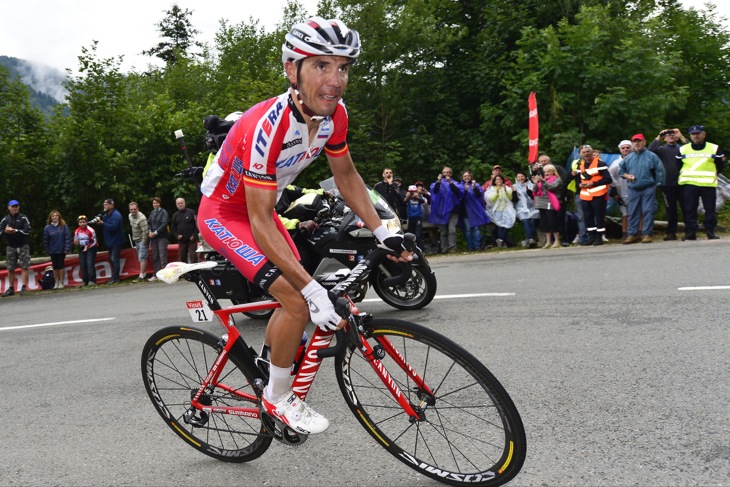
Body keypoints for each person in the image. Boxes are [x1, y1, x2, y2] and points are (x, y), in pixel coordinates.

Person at [197, 17, 412, 436]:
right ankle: (277, 399)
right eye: (321, 66)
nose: (335, 80)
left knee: (295, 298)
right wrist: (311, 293)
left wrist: (383, 228)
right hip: (226, 215)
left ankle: (268, 363)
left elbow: (347, 177)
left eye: (343, 67)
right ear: (291, 70)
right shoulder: (268, 126)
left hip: (262, 211)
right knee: (298, 299)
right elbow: (258, 221)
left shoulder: (335, 116)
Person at [677, 124, 725, 240]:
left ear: (704, 134)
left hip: (707, 184)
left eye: (698, 133)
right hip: (690, 184)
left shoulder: (714, 148)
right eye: (693, 134)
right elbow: (678, 165)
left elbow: (720, 164)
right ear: (690, 136)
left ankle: (710, 231)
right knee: (690, 209)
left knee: (710, 209)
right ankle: (691, 232)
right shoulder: (683, 149)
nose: (696, 136)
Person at [618, 134, 665, 244]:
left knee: (648, 211)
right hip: (633, 188)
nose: (637, 143)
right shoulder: (628, 157)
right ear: (633, 143)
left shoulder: (651, 156)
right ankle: (632, 234)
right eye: (635, 142)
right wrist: (627, 176)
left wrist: (657, 184)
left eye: (639, 141)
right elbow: (621, 171)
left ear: (644, 142)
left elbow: (660, 171)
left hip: (648, 187)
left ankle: (647, 234)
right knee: (632, 212)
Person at [649, 128, 688, 240]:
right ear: (665, 138)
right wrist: (659, 136)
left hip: (682, 182)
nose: (671, 136)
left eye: (673, 135)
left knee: (686, 208)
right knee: (670, 209)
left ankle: (689, 230)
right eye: (668, 135)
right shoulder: (661, 149)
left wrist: (681, 136)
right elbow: (650, 150)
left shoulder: (682, 148)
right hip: (666, 183)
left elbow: (692, 149)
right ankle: (671, 232)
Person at [576, 145, 611, 245]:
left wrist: (594, 183)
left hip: (599, 194)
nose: (586, 153)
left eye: (588, 151)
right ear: (580, 154)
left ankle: (599, 237)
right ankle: (591, 237)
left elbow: (608, 179)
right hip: (585, 195)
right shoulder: (580, 165)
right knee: (588, 217)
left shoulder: (600, 164)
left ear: (592, 152)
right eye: (584, 152)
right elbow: (578, 179)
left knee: (599, 216)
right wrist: (579, 184)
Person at [429, 166, 464, 253]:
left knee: (452, 230)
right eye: (444, 172)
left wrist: (450, 183)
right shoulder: (437, 183)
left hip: (453, 211)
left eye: (448, 172)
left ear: (451, 174)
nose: (446, 174)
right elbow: (434, 191)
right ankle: (444, 248)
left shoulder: (455, 183)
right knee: (443, 232)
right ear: (441, 174)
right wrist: (438, 181)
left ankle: (452, 247)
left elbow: (458, 193)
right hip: (441, 212)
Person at [1, 200, 31, 296]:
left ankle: (23, 287)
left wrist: (16, 231)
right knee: (10, 267)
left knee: (24, 266)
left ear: (19, 207)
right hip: (11, 246)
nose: (15, 208)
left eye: (17, 206)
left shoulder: (23, 218)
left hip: (23, 245)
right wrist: (6, 231)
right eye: (13, 206)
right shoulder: (5, 219)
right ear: (9, 207)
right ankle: (11, 288)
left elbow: (28, 230)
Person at [531, 164, 562, 248]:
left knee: (552, 221)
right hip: (542, 202)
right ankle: (548, 241)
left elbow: (551, 188)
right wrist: (536, 183)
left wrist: (542, 181)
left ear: (553, 171)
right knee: (544, 222)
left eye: (548, 171)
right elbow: (535, 191)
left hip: (551, 202)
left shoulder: (557, 180)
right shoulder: (543, 180)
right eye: (545, 171)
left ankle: (557, 241)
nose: (546, 173)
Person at [608, 140, 633, 241]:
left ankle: (639, 233)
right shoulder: (616, 163)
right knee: (625, 213)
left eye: (628, 147)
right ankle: (625, 233)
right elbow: (610, 176)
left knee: (640, 212)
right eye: (623, 148)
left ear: (631, 148)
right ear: (620, 149)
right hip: (623, 190)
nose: (626, 149)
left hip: (636, 189)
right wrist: (614, 191)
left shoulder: (637, 159)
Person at [96, 198, 124, 284]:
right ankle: (114, 277)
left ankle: (115, 278)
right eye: (104, 204)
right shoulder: (106, 214)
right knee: (111, 259)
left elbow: (113, 227)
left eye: (106, 204)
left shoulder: (116, 215)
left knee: (114, 259)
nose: (104, 205)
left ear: (112, 205)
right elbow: (105, 226)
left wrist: (103, 223)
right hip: (110, 241)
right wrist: (99, 222)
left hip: (116, 241)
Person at [459, 171, 489, 251]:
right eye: (465, 176)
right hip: (465, 211)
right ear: (462, 177)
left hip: (475, 210)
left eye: (468, 175)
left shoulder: (476, 185)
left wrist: (474, 187)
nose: (467, 177)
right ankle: (470, 247)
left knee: (476, 228)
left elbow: (480, 196)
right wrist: (465, 190)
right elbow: (461, 198)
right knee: (468, 229)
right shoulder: (460, 186)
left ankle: (477, 246)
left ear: (471, 176)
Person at [42, 210, 71, 289]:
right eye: (53, 216)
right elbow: (45, 240)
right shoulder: (47, 228)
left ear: (59, 217)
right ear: (50, 218)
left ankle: (61, 282)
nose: (55, 217)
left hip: (61, 249)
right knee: (55, 266)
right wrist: (47, 250)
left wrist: (67, 248)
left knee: (61, 265)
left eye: (56, 216)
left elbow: (67, 237)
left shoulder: (63, 225)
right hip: (52, 249)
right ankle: (56, 282)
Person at [484, 175, 515, 248]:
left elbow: (510, 198)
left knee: (506, 225)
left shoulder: (507, 188)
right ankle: (502, 242)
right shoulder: (490, 189)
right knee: (500, 226)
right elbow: (490, 200)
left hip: (506, 209)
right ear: (494, 181)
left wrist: (505, 191)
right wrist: (497, 193)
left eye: (500, 179)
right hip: (497, 210)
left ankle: (500, 240)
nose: (499, 181)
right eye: (497, 179)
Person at [513, 171, 539, 247]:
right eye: (518, 177)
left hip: (533, 207)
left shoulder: (531, 185)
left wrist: (529, 191)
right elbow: (514, 200)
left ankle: (530, 239)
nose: (520, 178)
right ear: (516, 178)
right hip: (521, 208)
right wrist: (514, 192)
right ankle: (531, 239)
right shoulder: (514, 186)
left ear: (525, 177)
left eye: (522, 176)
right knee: (525, 221)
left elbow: (535, 196)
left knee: (533, 221)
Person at [147, 197, 169, 281]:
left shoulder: (164, 212)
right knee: (155, 256)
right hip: (153, 238)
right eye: (154, 203)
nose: (155, 204)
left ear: (159, 203)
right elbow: (149, 223)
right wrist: (149, 232)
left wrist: (155, 232)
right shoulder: (152, 213)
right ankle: (155, 274)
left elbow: (164, 224)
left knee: (162, 255)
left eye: (157, 203)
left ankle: (165, 274)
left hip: (162, 237)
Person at [73, 215, 98, 286]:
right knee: (82, 264)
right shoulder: (77, 230)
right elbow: (75, 240)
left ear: (87, 222)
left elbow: (94, 241)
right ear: (78, 223)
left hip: (91, 248)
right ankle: (85, 280)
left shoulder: (91, 230)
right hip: (81, 248)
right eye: (80, 222)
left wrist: (88, 246)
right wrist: (76, 243)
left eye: (84, 222)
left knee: (90, 263)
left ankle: (92, 280)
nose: (82, 224)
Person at [171, 197, 197, 264]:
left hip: (191, 239)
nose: (180, 204)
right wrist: (177, 236)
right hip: (182, 240)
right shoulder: (175, 215)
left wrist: (194, 235)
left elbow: (197, 225)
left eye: (181, 203)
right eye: (178, 203)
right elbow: (173, 228)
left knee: (193, 256)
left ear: (184, 203)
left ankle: (195, 272)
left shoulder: (191, 212)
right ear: (176, 205)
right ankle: (186, 273)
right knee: (182, 257)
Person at [128, 202, 149, 282]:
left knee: (142, 257)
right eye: (131, 209)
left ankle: (141, 275)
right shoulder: (129, 216)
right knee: (141, 257)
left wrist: (144, 243)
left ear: (138, 209)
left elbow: (145, 232)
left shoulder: (142, 218)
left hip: (142, 239)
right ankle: (144, 274)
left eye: (134, 209)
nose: (133, 211)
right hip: (136, 239)